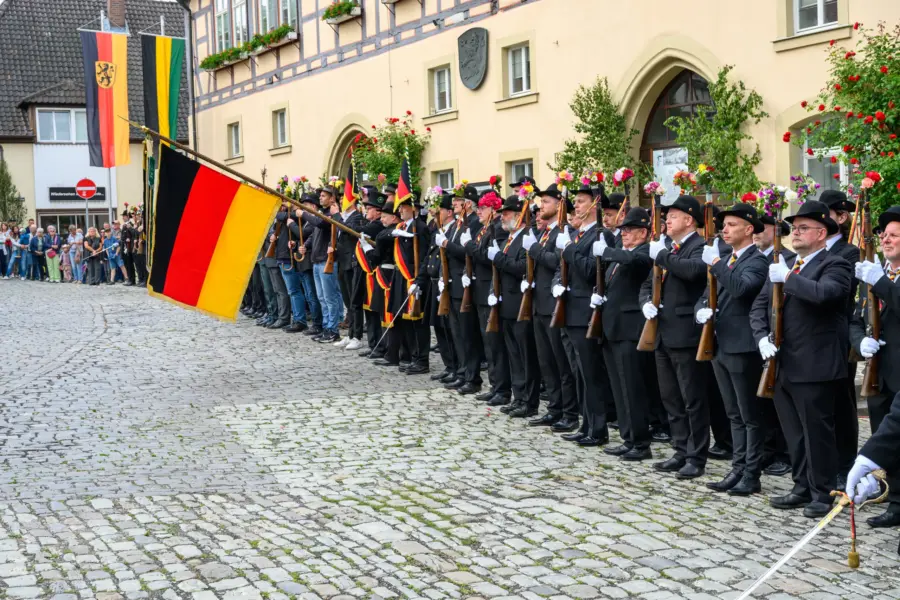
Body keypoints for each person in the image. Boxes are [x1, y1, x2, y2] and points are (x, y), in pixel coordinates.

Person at [750, 200, 852, 518]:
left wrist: (789, 280)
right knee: (793, 431)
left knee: (817, 433)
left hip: (815, 364)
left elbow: (825, 295)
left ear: (822, 233)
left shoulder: (835, 264)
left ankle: (823, 493)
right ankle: (801, 485)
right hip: (782, 363)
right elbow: (759, 306)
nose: (796, 232)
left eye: (803, 227)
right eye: (794, 228)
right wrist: (762, 338)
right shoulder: (788, 264)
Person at [696, 203, 768, 494]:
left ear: (749, 229)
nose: (724, 229)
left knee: (750, 415)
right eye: (723, 224)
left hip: (743, 346)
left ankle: (752, 473)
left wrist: (716, 265)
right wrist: (701, 310)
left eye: (732, 224)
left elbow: (741, 288)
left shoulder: (757, 261)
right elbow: (705, 296)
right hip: (720, 342)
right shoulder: (727, 259)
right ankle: (737, 468)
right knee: (733, 413)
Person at [641, 194, 710, 479]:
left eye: (673, 215)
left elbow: (693, 272)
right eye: (666, 215)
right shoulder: (667, 246)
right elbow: (648, 282)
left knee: (692, 398)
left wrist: (662, 255)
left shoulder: (700, 246)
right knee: (671, 397)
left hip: (685, 333)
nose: (667, 219)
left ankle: (697, 455)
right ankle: (680, 448)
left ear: (689, 219)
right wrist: (645, 300)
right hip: (661, 331)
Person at [849, 205, 900, 528]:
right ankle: (896, 500)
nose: (887, 239)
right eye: (885, 234)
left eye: (895, 235)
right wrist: (859, 342)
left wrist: (882, 282)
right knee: (887, 435)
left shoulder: (880, 277)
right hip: (879, 369)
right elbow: (856, 317)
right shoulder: (877, 273)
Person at [554, 185, 616, 442]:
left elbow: (591, 270)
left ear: (595, 204)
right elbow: (564, 268)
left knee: (591, 373)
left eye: (581, 202)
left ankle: (598, 428)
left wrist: (568, 248)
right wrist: (557, 283)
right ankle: (586, 425)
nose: (576, 206)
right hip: (570, 310)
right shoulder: (579, 235)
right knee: (579, 372)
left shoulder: (602, 236)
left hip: (585, 313)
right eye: (576, 202)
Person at [594, 206, 655, 460]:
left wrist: (607, 251)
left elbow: (635, 261)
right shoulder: (623, 254)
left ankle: (641, 443)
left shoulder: (644, 252)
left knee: (633, 388)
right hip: (612, 327)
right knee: (619, 387)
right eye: (622, 231)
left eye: (628, 230)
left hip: (630, 330)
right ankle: (628, 437)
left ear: (643, 232)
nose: (624, 235)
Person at [526, 184, 579, 432]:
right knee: (546, 362)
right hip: (539, 303)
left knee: (562, 363)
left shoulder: (564, 231)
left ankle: (569, 413)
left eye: (546, 202)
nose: (540, 206)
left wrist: (534, 250)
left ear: (559, 205)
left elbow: (557, 261)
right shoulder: (546, 232)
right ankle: (554, 408)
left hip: (554, 304)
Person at [820, 189, 862, 488]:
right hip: (813, 337)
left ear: (841, 217)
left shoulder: (848, 251)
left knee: (842, 401)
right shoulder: (815, 250)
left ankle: (845, 462)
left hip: (839, 334)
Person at [489, 193, 540, 418]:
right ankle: (518, 396)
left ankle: (529, 401)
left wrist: (498, 258)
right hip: (508, 304)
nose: (502, 217)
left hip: (521, 305)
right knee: (514, 355)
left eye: (507, 213)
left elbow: (522, 267)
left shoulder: (527, 237)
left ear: (519, 216)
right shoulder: (511, 238)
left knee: (525, 355)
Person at [753, 214, 794, 477]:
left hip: (783, 339)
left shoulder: (787, 259)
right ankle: (769, 450)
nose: (756, 232)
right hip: (760, 336)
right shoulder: (755, 257)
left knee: (782, 404)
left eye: (762, 228)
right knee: (764, 401)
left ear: (776, 231)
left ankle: (784, 454)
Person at [465, 190, 512, 406]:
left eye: (483, 208)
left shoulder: (497, 231)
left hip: (490, 291)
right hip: (480, 290)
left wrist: (470, 246)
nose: (479, 211)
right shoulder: (484, 229)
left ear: (493, 209)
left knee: (495, 344)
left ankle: (502, 389)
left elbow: (487, 258)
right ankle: (495, 386)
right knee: (488, 343)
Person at [441, 185, 484, 394]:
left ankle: (472, 376)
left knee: (468, 335)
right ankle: (462, 372)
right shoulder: (457, 224)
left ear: (467, 204)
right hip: (454, 284)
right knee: (458, 333)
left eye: (458, 201)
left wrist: (447, 244)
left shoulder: (474, 223)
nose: (454, 204)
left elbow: (465, 252)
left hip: (465, 284)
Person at [391, 191, 431, 374]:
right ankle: (411, 356)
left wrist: (418, 279)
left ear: (413, 208)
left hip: (413, 278)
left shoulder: (420, 228)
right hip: (402, 277)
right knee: (406, 321)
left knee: (418, 322)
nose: (400, 210)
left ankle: (421, 359)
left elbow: (423, 255)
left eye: (403, 206)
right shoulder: (401, 226)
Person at [301, 185, 344, 343]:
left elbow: (319, 224)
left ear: (332, 198)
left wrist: (304, 213)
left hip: (327, 260)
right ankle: (326, 327)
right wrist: (305, 245)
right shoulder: (322, 214)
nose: (320, 198)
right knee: (321, 297)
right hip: (317, 259)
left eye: (324, 196)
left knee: (329, 297)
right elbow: (315, 233)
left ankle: (333, 329)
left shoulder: (331, 215)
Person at [424, 192, 459, 382]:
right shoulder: (438, 230)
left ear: (449, 212)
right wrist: (419, 280)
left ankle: (456, 367)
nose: (436, 213)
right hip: (434, 283)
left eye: (440, 210)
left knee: (449, 328)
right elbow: (429, 257)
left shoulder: (454, 230)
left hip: (447, 284)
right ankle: (449, 365)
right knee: (439, 327)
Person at [354, 187, 386, 357]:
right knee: (369, 309)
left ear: (378, 211)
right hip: (367, 272)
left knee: (375, 310)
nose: (366, 210)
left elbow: (362, 233)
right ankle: (374, 344)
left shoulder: (377, 226)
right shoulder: (372, 224)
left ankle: (379, 344)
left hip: (375, 273)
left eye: (369, 208)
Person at [335, 191, 366, 350]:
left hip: (352, 263)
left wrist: (338, 217)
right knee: (348, 301)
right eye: (340, 200)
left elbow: (352, 230)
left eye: (344, 199)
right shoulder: (344, 218)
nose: (341, 202)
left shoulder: (357, 217)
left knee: (355, 302)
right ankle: (350, 333)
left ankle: (357, 335)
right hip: (342, 262)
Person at [274, 203, 310, 333]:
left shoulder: (293, 216)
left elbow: (281, 214)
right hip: (283, 257)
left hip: (289, 258)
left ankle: (299, 320)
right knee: (292, 292)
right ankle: (297, 319)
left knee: (294, 291)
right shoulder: (286, 217)